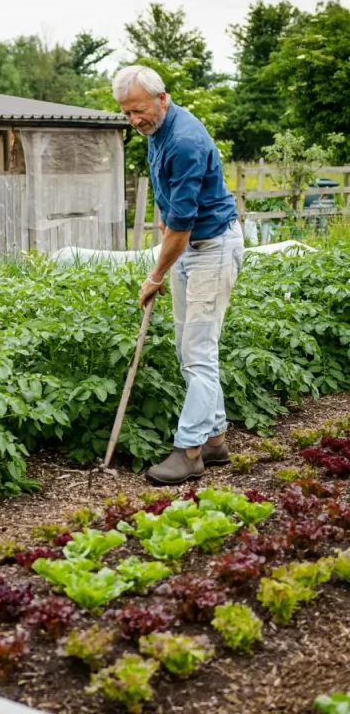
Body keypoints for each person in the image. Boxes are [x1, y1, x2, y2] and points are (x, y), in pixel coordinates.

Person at [112, 65, 244, 486]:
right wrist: (167, 250)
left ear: (162, 98)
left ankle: (189, 452)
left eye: (139, 111)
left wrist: (154, 276)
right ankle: (216, 440)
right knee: (190, 351)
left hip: (211, 247)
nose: (135, 120)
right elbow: (169, 205)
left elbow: (183, 225)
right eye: (127, 113)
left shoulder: (185, 141)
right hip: (187, 247)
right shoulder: (156, 132)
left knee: (199, 352)